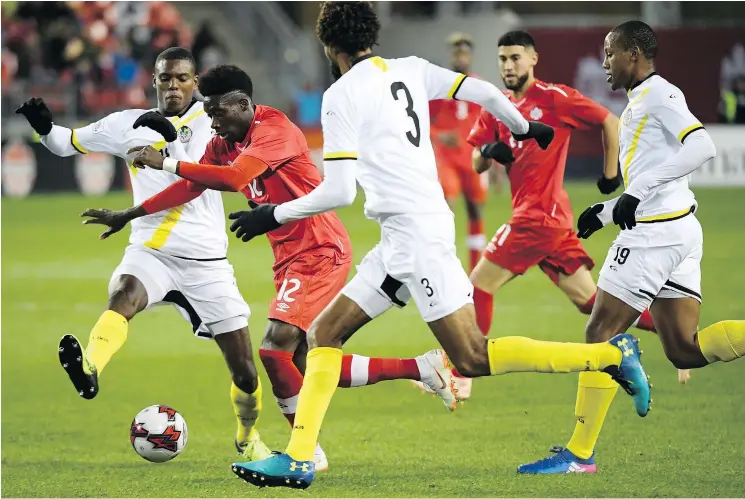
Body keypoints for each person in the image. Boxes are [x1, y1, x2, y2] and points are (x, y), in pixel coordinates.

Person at [226, 2, 651, 489]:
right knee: (323, 335)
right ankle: (301, 458)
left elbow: (340, 191)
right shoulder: (411, 69)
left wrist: (272, 214)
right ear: (371, 35)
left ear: (329, 45)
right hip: (398, 237)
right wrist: (520, 127)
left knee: (471, 358)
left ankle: (612, 357)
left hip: (418, 238)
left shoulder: (341, 94)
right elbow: (486, 91)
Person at [117, 64, 460, 472]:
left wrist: (167, 162)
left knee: (273, 349)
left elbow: (235, 178)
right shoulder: (225, 141)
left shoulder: (273, 129)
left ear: (242, 104)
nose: (212, 123)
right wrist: (133, 212)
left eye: (217, 113)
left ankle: (305, 451)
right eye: (207, 114)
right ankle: (424, 367)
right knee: (304, 358)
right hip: (289, 256)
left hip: (319, 248)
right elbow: (195, 186)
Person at [14, 47, 272, 461]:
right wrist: (45, 128)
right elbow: (68, 143)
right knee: (123, 294)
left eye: (182, 79)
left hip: (206, 261)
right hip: (151, 250)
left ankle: (248, 435)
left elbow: (210, 178)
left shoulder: (214, 123)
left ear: (196, 84)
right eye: (165, 78)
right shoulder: (126, 124)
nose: (173, 86)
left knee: (244, 371)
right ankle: (90, 368)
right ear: (153, 80)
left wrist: (169, 143)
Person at [517, 21, 744, 475]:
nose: (604, 63)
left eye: (610, 53)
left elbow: (700, 146)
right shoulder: (643, 99)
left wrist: (635, 197)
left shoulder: (660, 94)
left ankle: (580, 454)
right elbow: (651, 178)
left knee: (599, 334)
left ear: (634, 54)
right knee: (682, 348)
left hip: (653, 237)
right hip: (680, 230)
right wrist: (605, 211)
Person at [462, 30, 685, 401]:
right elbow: (476, 162)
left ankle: (464, 372)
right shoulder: (496, 105)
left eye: (516, 57)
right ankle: (675, 338)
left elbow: (609, 122)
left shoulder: (554, 98)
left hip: (538, 218)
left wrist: (611, 173)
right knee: (592, 304)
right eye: (503, 59)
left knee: (480, 284)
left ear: (533, 59)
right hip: (550, 221)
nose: (508, 65)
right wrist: (488, 150)